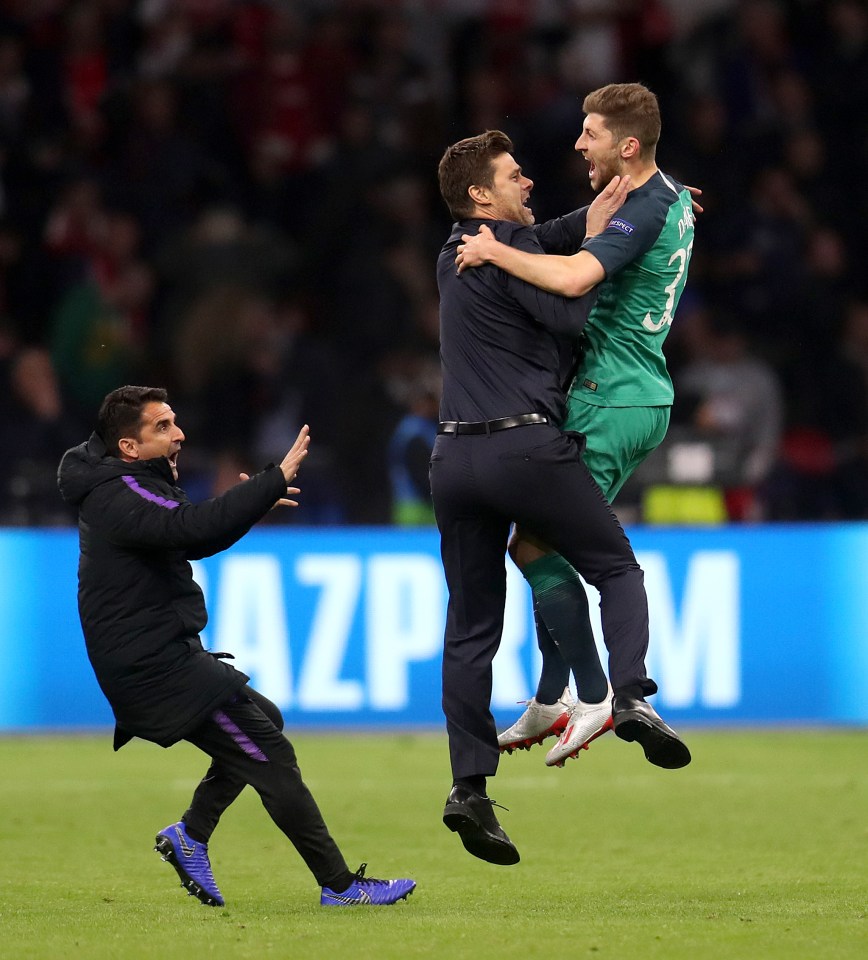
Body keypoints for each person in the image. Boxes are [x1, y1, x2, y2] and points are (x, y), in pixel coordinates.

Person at [433, 130, 690, 867]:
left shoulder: (456, 250)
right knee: (615, 568)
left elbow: (563, 228)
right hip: (523, 450)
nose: (529, 183)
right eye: (515, 175)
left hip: (452, 459)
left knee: (470, 630)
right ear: (481, 193)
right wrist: (599, 242)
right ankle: (625, 694)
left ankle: (468, 790)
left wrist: (653, 198)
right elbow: (572, 308)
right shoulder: (513, 262)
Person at [57, 385, 415, 909]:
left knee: (263, 722)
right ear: (129, 448)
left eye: (175, 421)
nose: (179, 434)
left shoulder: (125, 481)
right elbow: (192, 528)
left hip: (162, 657)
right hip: (156, 668)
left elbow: (193, 533)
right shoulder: (119, 492)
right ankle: (340, 886)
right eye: (162, 427)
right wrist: (269, 483)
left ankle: (191, 834)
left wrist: (254, 499)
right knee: (272, 755)